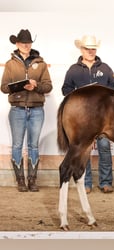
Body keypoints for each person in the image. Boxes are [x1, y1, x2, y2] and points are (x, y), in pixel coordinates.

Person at [62, 35, 114, 194]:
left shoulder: (105, 68)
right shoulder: (73, 70)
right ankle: (85, 182)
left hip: (103, 117)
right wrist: (79, 95)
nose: (91, 51)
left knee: (104, 148)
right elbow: (66, 90)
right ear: (81, 50)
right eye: (88, 49)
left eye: (93, 49)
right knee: (83, 149)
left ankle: (106, 182)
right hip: (82, 118)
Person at [1, 29, 53, 192]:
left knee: (33, 145)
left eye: (28, 43)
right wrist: (19, 86)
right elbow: (3, 87)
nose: (26, 45)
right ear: (17, 44)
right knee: (17, 145)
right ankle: (20, 180)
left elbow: (48, 86)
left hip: (37, 109)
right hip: (17, 109)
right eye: (23, 43)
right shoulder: (10, 64)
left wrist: (36, 85)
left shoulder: (41, 64)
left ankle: (32, 180)